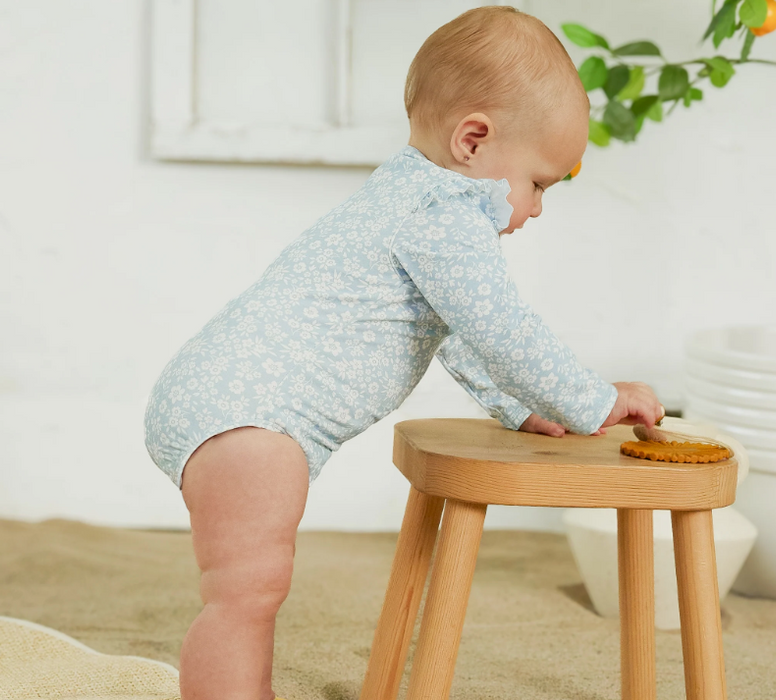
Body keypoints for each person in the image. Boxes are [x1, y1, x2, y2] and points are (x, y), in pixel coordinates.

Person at [143, 6, 664, 699]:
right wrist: (592, 399)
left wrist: (519, 407)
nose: (536, 209)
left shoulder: (411, 192)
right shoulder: (443, 214)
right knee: (245, 589)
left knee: (252, 585)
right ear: (474, 140)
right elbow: (502, 327)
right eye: (538, 183)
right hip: (248, 417)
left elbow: (457, 328)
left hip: (234, 404)